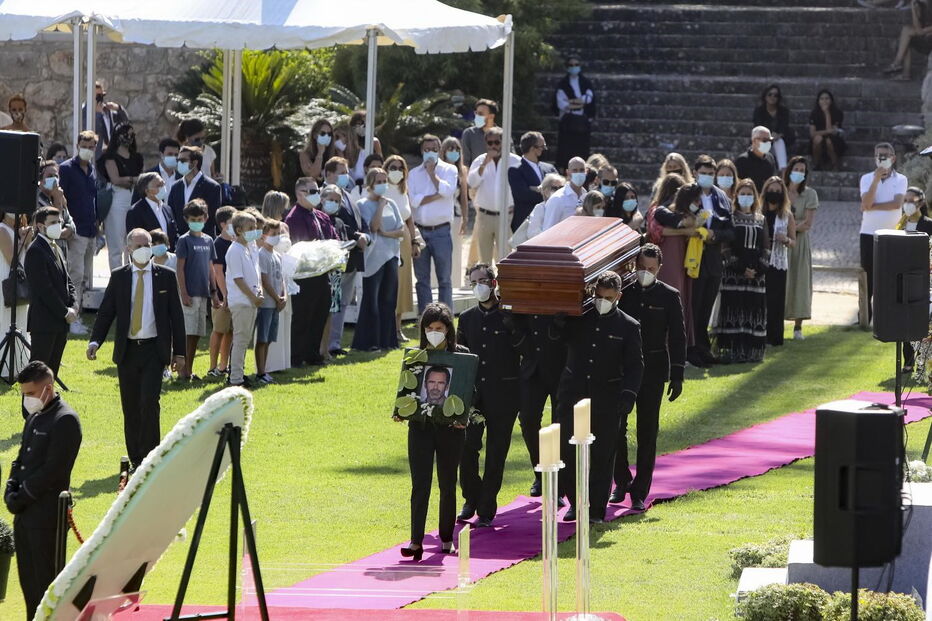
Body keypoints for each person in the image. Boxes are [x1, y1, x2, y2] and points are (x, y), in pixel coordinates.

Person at [87, 228, 185, 467]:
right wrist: (95, 341)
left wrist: (179, 352)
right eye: (138, 245)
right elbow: (107, 311)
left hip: (154, 349)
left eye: (147, 245)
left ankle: (151, 457)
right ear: (128, 248)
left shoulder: (166, 276)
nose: (143, 250)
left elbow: (177, 316)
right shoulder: (120, 276)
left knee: (149, 403)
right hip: (128, 351)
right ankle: (135, 457)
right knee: (130, 406)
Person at [552, 271, 643, 523]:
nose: (602, 301)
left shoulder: (628, 326)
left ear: (618, 297)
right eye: (599, 296)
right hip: (573, 395)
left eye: (608, 297)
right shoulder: (579, 317)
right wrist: (557, 325)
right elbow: (556, 342)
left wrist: (628, 395)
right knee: (568, 453)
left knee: (602, 458)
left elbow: (635, 365)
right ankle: (575, 502)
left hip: (607, 399)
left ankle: (595, 511)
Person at [4, 361, 81, 620]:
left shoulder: (65, 420)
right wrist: (10, 488)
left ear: (48, 388)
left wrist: (23, 494)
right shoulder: (35, 417)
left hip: (46, 517)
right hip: (25, 515)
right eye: (24, 394)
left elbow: (54, 471)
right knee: (28, 585)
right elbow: (21, 459)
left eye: (30, 394)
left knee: (45, 587)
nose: (27, 399)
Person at [612, 244, 685, 510]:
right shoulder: (624, 294)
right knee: (616, 427)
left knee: (647, 430)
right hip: (624, 368)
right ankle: (621, 480)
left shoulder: (669, 295)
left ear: (659, 269)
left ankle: (640, 490)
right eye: (642, 268)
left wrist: (677, 374)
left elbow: (677, 336)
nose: (645, 273)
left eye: (651, 269)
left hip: (653, 369)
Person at [395, 303, 468, 561]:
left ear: (448, 330)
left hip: (451, 430)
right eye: (429, 328)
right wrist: (400, 410)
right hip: (421, 429)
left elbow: (468, 391)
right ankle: (416, 541)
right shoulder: (415, 356)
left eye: (438, 328)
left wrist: (464, 417)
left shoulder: (461, 356)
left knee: (448, 484)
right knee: (420, 485)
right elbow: (407, 390)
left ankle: (447, 538)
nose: (433, 333)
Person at [456, 264, 521, 527]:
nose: (479, 286)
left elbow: (523, 349)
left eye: (483, 280)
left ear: (494, 283)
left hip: (504, 393)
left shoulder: (510, 315)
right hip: (474, 395)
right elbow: (460, 355)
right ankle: (471, 497)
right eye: (474, 282)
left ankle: (487, 504)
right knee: (467, 448)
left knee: (497, 451)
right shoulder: (468, 318)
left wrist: (513, 326)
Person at [284, 178, 338, 366]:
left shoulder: (322, 216)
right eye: (313, 191)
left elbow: (333, 239)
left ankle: (313, 354)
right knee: (302, 316)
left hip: (323, 273)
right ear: (300, 194)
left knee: (320, 312)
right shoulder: (294, 217)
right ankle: (296, 356)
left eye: (318, 190)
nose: (318, 194)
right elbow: (301, 246)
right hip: (304, 275)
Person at [715, 179, 770, 363]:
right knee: (734, 309)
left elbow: (766, 247)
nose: (746, 197)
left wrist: (759, 269)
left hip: (756, 275)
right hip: (734, 274)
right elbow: (726, 247)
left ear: (755, 196)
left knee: (752, 310)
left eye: (749, 193)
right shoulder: (730, 218)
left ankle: (751, 351)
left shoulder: (761, 219)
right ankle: (731, 350)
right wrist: (739, 268)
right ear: (736, 195)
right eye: (742, 193)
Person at [352, 168, 404, 352]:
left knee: (389, 300)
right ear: (371, 184)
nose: (383, 184)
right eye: (379, 181)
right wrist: (380, 206)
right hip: (373, 258)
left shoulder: (393, 204)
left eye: (385, 181)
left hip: (391, 256)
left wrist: (387, 233)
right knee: (371, 300)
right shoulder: (363, 204)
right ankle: (369, 342)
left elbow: (401, 230)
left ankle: (387, 340)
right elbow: (373, 227)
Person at [690, 155, 735, 366]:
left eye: (710, 174)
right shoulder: (687, 193)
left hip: (713, 258)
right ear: (695, 173)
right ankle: (692, 349)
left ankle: (703, 348)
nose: (706, 177)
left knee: (706, 305)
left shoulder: (721, 197)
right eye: (703, 173)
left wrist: (714, 235)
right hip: (693, 257)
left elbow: (730, 231)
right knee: (694, 305)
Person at [323, 157, 371, 356]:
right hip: (335, 261)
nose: (346, 176)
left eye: (347, 171)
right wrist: (355, 236)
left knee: (343, 303)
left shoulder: (349, 196)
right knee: (332, 302)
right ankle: (325, 345)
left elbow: (360, 222)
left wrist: (365, 236)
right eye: (341, 172)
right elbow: (334, 224)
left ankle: (335, 343)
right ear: (329, 174)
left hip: (353, 259)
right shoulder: (322, 197)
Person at [409, 134, 458, 312]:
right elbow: (413, 201)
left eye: (434, 150)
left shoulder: (450, 170)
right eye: (427, 150)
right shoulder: (414, 174)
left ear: (440, 150)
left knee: (444, 278)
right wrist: (436, 195)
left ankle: (445, 315)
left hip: (441, 231)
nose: (430, 153)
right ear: (422, 151)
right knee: (422, 280)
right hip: (420, 231)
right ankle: (425, 316)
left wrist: (432, 175)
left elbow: (447, 190)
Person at [649, 179, 697, 358]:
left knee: (680, 301)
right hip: (668, 259)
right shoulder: (660, 210)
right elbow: (656, 232)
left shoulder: (683, 213)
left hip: (682, 259)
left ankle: (677, 351)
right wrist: (684, 230)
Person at [25, 207, 76, 376]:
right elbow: (44, 289)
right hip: (44, 322)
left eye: (59, 222)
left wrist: (74, 306)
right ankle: (31, 403)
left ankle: (47, 403)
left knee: (51, 374)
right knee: (38, 373)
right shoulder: (35, 251)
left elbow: (67, 280)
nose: (58, 225)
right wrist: (64, 312)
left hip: (60, 323)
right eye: (53, 223)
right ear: (40, 226)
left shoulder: (57, 248)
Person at [859, 142, 907, 321]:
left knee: (891, 275)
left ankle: (889, 316)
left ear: (893, 158)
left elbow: (896, 204)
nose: (882, 159)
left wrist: (871, 206)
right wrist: (876, 180)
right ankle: (864, 316)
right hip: (868, 233)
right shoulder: (866, 178)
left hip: (893, 234)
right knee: (867, 275)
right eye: (879, 155)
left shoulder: (901, 179)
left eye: (885, 155)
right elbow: (866, 203)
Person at [58, 131, 98, 335]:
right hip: (76, 231)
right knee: (75, 276)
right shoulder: (65, 169)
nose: (88, 149)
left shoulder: (91, 170)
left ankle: (77, 315)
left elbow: (93, 200)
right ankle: (72, 318)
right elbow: (60, 200)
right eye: (85, 145)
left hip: (90, 230)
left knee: (83, 278)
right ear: (77, 144)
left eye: (91, 146)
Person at [175, 198, 218, 379]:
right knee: (187, 332)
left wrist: (214, 292)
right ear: (186, 219)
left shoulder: (208, 241)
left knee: (197, 334)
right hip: (190, 293)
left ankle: (189, 369)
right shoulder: (184, 241)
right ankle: (182, 370)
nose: (197, 223)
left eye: (200, 219)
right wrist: (184, 292)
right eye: (193, 219)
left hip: (203, 293)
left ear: (206, 218)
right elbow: (180, 268)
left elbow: (210, 268)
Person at [467, 127, 520, 263]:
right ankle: (487, 284)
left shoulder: (515, 161)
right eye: (490, 143)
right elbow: (471, 182)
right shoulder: (480, 160)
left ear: (503, 143)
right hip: (484, 216)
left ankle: (502, 285)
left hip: (506, 216)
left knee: (505, 258)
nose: (493, 146)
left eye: (497, 142)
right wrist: (484, 164)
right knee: (484, 259)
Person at [384, 155, 421, 343]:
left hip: (405, 238)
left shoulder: (403, 190)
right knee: (390, 283)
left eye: (400, 167)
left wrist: (415, 241)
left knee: (403, 283)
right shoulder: (382, 189)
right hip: (388, 239)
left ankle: (398, 327)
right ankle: (388, 327)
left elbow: (409, 218)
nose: (396, 171)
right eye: (393, 167)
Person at [783, 156, 820, 340]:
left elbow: (807, 223)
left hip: (799, 242)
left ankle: (798, 327)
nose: (798, 173)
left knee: (800, 281)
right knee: (781, 281)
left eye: (802, 170)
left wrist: (789, 229)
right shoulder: (780, 191)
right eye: (795, 169)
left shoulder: (810, 194)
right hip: (780, 242)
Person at [99, 123, 144, 271]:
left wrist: (129, 180)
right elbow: (116, 179)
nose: (128, 138)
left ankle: (131, 273)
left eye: (131, 135)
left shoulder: (137, 157)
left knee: (131, 240)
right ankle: (117, 276)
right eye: (125, 134)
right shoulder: (109, 156)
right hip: (117, 198)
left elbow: (141, 180)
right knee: (116, 242)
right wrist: (133, 179)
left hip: (133, 197)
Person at [225, 211, 263, 387]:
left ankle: (238, 373)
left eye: (255, 227)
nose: (254, 231)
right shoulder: (235, 250)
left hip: (251, 300)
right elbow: (238, 279)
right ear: (239, 230)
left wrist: (259, 292)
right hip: (242, 302)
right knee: (240, 340)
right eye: (250, 228)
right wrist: (253, 297)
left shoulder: (249, 248)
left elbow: (254, 275)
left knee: (244, 339)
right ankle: (235, 379)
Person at [761, 176, 796, 346]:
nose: (774, 193)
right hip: (760, 260)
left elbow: (793, 241)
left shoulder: (787, 215)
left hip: (778, 261)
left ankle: (774, 337)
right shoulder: (758, 212)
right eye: (771, 190)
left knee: (775, 300)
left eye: (777, 191)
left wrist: (786, 240)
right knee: (760, 299)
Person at [260, 192, 293, 373]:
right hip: (269, 273)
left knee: (285, 316)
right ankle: (268, 364)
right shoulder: (264, 226)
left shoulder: (285, 226)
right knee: (269, 318)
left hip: (284, 272)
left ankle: (282, 362)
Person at [0, 209, 32, 376]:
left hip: (20, 283)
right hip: (6, 282)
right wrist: (22, 239)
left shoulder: (18, 231)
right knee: (4, 320)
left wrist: (26, 238)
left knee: (20, 320)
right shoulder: (2, 229)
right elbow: (12, 259)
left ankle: (19, 363)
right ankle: (4, 365)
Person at [255, 219, 286, 384]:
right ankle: (260, 372)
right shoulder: (261, 254)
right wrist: (276, 298)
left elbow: (281, 279)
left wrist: (284, 297)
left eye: (278, 234)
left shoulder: (277, 255)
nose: (277, 237)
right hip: (267, 303)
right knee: (262, 338)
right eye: (273, 234)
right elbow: (265, 281)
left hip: (275, 304)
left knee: (268, 339)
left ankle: (264, 370)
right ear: (264, 235)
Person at [207, 206, 237, 377]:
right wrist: (224, 295)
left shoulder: (235, 243)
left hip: (233, 295)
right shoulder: (218, 243)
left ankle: (223, 365)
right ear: (223, 224)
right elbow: (217, 272)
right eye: (234, 222)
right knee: (218, 330)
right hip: (221, 296)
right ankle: (212, 367)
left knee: (230, 332)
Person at [168, 146, 223, 237]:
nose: (179, 164)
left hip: (203, 240)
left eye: (183, 161)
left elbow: (212, 218)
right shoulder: (176, 187)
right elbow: (172, 215)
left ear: (194, 163)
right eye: (178, 161)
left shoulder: (212, 187)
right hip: (181, 241)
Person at [554, 55, 596, 171]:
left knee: (581, 148)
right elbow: (561, 103)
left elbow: (588, 99)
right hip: (567, 122)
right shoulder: (563, 84)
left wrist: (572, 101)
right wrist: (579, 102)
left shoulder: (585, 83)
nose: (574, 67)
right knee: (566, 148)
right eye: (571, 65)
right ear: (567, 67)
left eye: (576, 65)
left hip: (582, 121)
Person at [509, 131, 556, 232]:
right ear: (532, 148)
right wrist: (547, 193)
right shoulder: (516, 170)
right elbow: (522, 195)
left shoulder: (550, 168)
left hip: (549, 221)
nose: (545, 150)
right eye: (542, 147)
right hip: (526, 223)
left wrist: (538, 189)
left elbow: (560, 188)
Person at [440, 136, 469, 288]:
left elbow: (464, 197)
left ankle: (454, 284)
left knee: (455, 251)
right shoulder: (438, 169)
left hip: (455, 216)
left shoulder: (462, 170)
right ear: (443, 151)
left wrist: (465, 218)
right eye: (450, 149)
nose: (454, 152)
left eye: (457, 149)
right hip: (440, 216)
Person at [127, 172, 178, 250]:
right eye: (158, 186)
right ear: (147, 191)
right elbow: (135, 243)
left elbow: (173, 235)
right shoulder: (135, 212)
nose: (163, 187)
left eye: (163, 184)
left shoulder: (167, 209)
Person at [884, 0, 932, 80]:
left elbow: (920, 32)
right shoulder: (921, 7)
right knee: (907, 38)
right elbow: (917, 27)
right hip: (926, 39)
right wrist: (914, 10)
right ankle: (905, 74)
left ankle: (897, 62)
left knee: (906, 31)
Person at [36, 161, 76, 256]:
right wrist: (57, 202)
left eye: (56, 176)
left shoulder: (59, 197)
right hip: (45, 255)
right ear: (40, 179)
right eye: (50, 176)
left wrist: (59, 233)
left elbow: (72, 228)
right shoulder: (37, 202)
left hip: (61, 255)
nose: (54, 179)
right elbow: (53, 231)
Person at [752, 85, 794, 170]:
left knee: (779, 142)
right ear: (765, 96)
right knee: (763, 143)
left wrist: (778, 135)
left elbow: (784, 127)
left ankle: (782, 169)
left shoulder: (783, 111)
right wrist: (769, 137)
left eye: (776, 95)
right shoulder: (759, 111)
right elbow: (758, 128)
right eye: (770, 94)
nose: (772, 97)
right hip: (764, 139)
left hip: (778, 140)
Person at [542, 157, 588, 230]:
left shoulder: (587, 197)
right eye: (575, 170)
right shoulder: (557, 199)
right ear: (568, 172)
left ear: (586, 172)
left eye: (581, 170)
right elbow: (547, 230)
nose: (578, 173)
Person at [131, 138, 182, 203]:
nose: (173, 157)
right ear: (161, 154)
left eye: (176, 155)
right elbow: (136, 203)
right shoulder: (146, 177)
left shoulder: (181, 178)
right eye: (170, 154)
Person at [87, 81, 129, 157]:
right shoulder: (84, 112)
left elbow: (125, 122)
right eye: (97, 97)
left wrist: (118, 108)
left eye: (101, 96)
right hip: (96, 156)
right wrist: (97, 113)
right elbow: (92, 131)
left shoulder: (107, 111)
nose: (99, 100)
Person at [809, 90, 846, 171]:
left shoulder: (837, 113)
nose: (824, 101)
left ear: (831, 100)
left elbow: (832, 132)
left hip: (834, 139)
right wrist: (826, 132)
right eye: (822, 99)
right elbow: (812, 133)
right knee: (817, 139)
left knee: (829, 141)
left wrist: (827, 113)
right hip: (819, 138)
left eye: (827, 99)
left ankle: (835, 164)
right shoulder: (814, 113)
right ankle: (816, 164)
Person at [524, 173, 565, 242]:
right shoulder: (540, 208)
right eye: (554, 188)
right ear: (545, 191)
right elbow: (532, 233)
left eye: (561, 188)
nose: (558, 191)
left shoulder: (566, 205)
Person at [735, 126, 778, 192]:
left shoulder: (770, 158)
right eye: (764, 140)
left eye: (770, 140)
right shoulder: (742, 160)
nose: (768, 143)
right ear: (754, 141)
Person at [461, 98, 499, 168]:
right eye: (476, 113)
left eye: (480, 114)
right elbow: (465, 164)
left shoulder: (504, 134)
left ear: (491, 116)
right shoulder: (469, 134)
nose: (477, 116)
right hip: (476, 177)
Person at [348, 110, 383, 183]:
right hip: (352, 183)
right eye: (359, 123)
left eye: (365, 123)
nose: (362, 126)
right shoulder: (348, 143)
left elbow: (381, 164)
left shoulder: (374, 142)